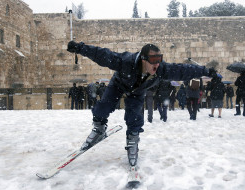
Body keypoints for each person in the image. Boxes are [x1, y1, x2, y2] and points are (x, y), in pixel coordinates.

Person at [67, 41, 216, 170]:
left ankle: (132, 140)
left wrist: (206, 71)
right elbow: (103, 55)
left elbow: (182, 70)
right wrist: (80, 48)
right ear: (143, 59)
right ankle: (99, 129)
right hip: (119, 84)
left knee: (134, 117)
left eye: (159, 59)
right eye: (153, 60)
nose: (157, 64)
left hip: (138, 91)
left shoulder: (161, 69)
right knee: (102, 107)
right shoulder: (126, 61)